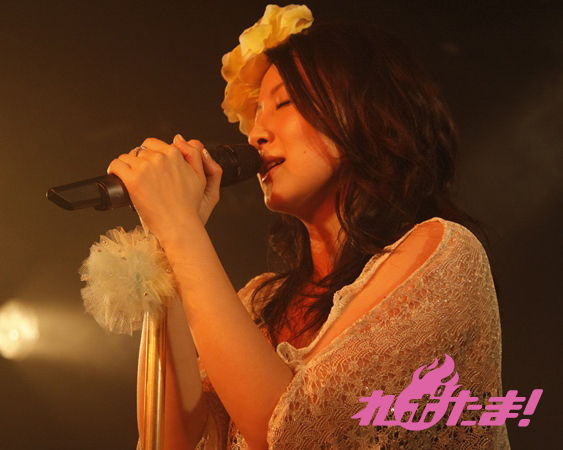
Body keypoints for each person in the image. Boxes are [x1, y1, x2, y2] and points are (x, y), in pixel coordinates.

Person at [108, 5, 510, 449]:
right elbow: (169, 440)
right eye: (256, 111)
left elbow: (296, 433)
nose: (255, 134)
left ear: (364, 110)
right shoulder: (259, 302)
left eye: (283, 103)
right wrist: (167, 243)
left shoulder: (442, 254)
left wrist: (183, 232)